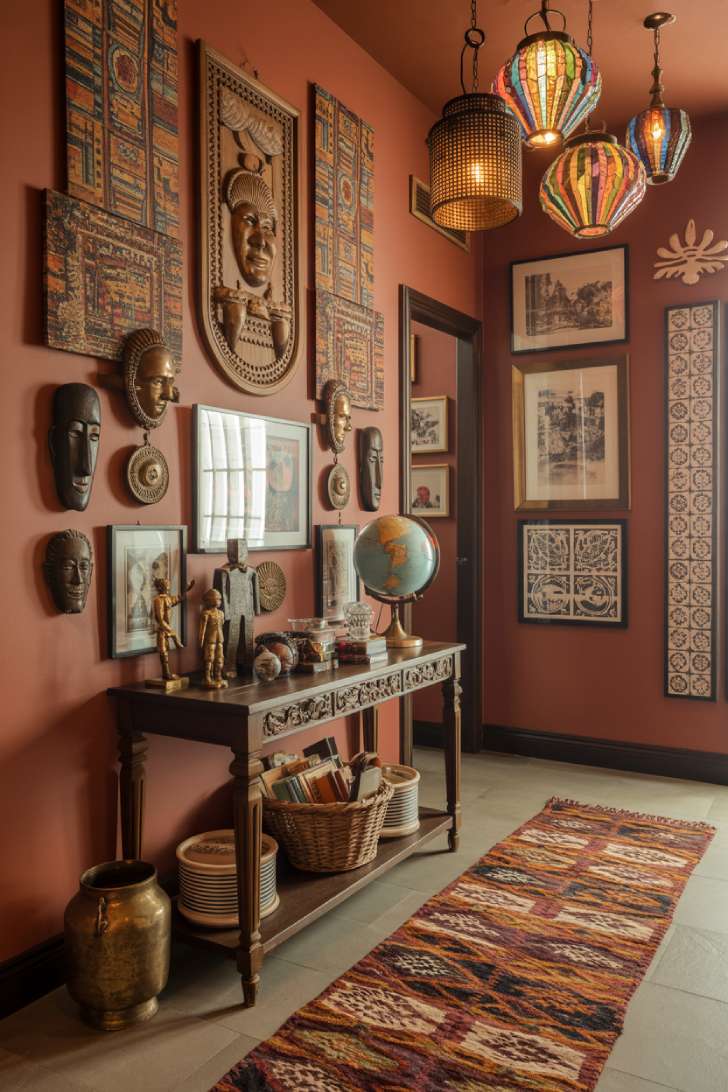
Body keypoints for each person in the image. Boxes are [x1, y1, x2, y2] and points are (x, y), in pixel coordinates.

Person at [151, 576, 195, 681]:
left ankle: (167, 673)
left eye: (168, 583)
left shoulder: (168, 598)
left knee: (166, 651)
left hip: (167, 629)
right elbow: (160, 619)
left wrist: (186, 589)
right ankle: (166, 673)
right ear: (161, 587)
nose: (169, 585)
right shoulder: (158, 600)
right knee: (163, 652)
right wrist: (172, 632)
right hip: (162, 629)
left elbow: (179, 598)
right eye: (167, 583)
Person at [199, 588, 228, 689]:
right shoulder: (206, 614)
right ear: (209, 600)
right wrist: (201, 641)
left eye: (220, 599)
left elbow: (222, 625)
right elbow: (202, 630)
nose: (218, 601)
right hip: (210, 640)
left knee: (220, 658)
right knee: (209, 658)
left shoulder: (221, 613)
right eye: (216, 599)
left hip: (219, 639)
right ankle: (208, 677)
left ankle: (218, 676)